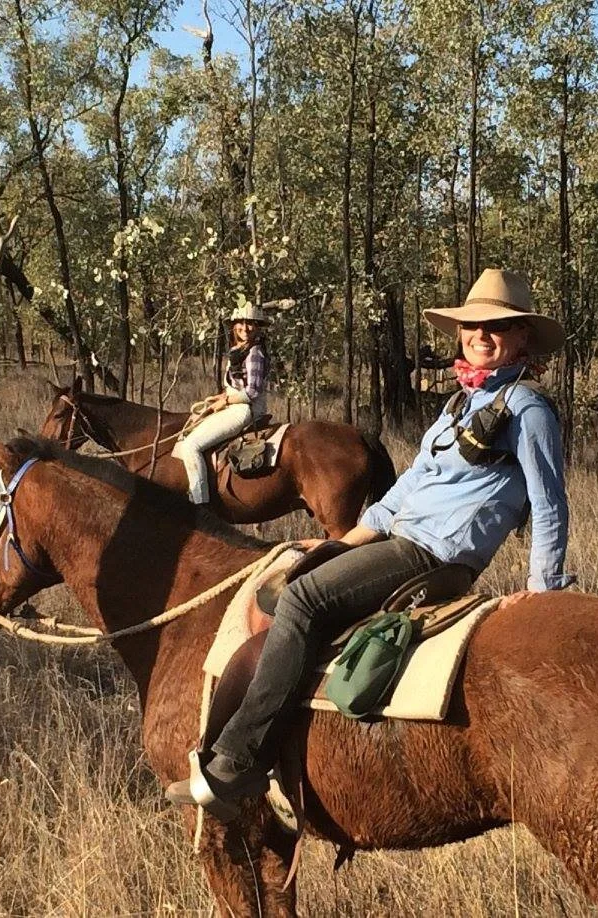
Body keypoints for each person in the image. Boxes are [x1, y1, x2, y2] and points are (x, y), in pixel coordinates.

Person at [167, 268, 572, 813]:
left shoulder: (528, 410)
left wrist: (542, 590)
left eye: (497, 326)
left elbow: (549, 503)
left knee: (304, 601)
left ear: (522, 337)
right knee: (287, 576)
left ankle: (237, 765)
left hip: (432, 556)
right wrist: (336, 544)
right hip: (397, 541)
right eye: (473, 325)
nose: (481, 335)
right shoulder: (457, 407)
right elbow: (400, 494)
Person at [174, 303, 271, 504]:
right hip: (234, 404)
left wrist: (225, 401)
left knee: (191, 445)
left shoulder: (254, 353)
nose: (245, 328)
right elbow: (236, 385)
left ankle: (201, 505)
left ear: (258, 327)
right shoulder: (239, 350)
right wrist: (219, 398)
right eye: (241, 323)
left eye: (251, 323)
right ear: (234, 325)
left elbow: (252, 391)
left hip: (245, 409)